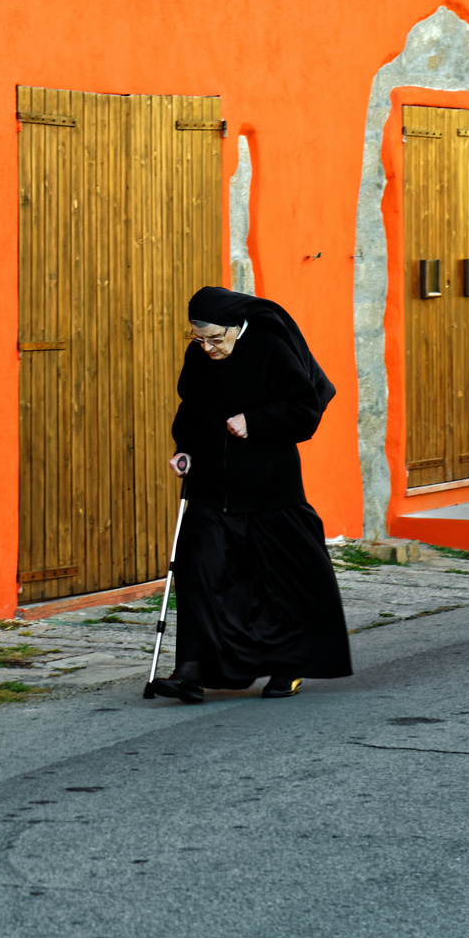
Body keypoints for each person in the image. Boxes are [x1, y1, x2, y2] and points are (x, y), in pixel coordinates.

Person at [148, 286, 352, 703]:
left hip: (269, 488)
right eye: (197, 338)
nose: (206, 347)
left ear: (235, 327)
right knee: (198, 572)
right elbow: (190, 409)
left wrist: (256, 421)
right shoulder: (199, 358)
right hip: (211, 486)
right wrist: (183, 449)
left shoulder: (271, 348)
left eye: (214, 338)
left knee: (280, 581)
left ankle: (288, 666)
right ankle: (189, 671)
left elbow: (306, 409)